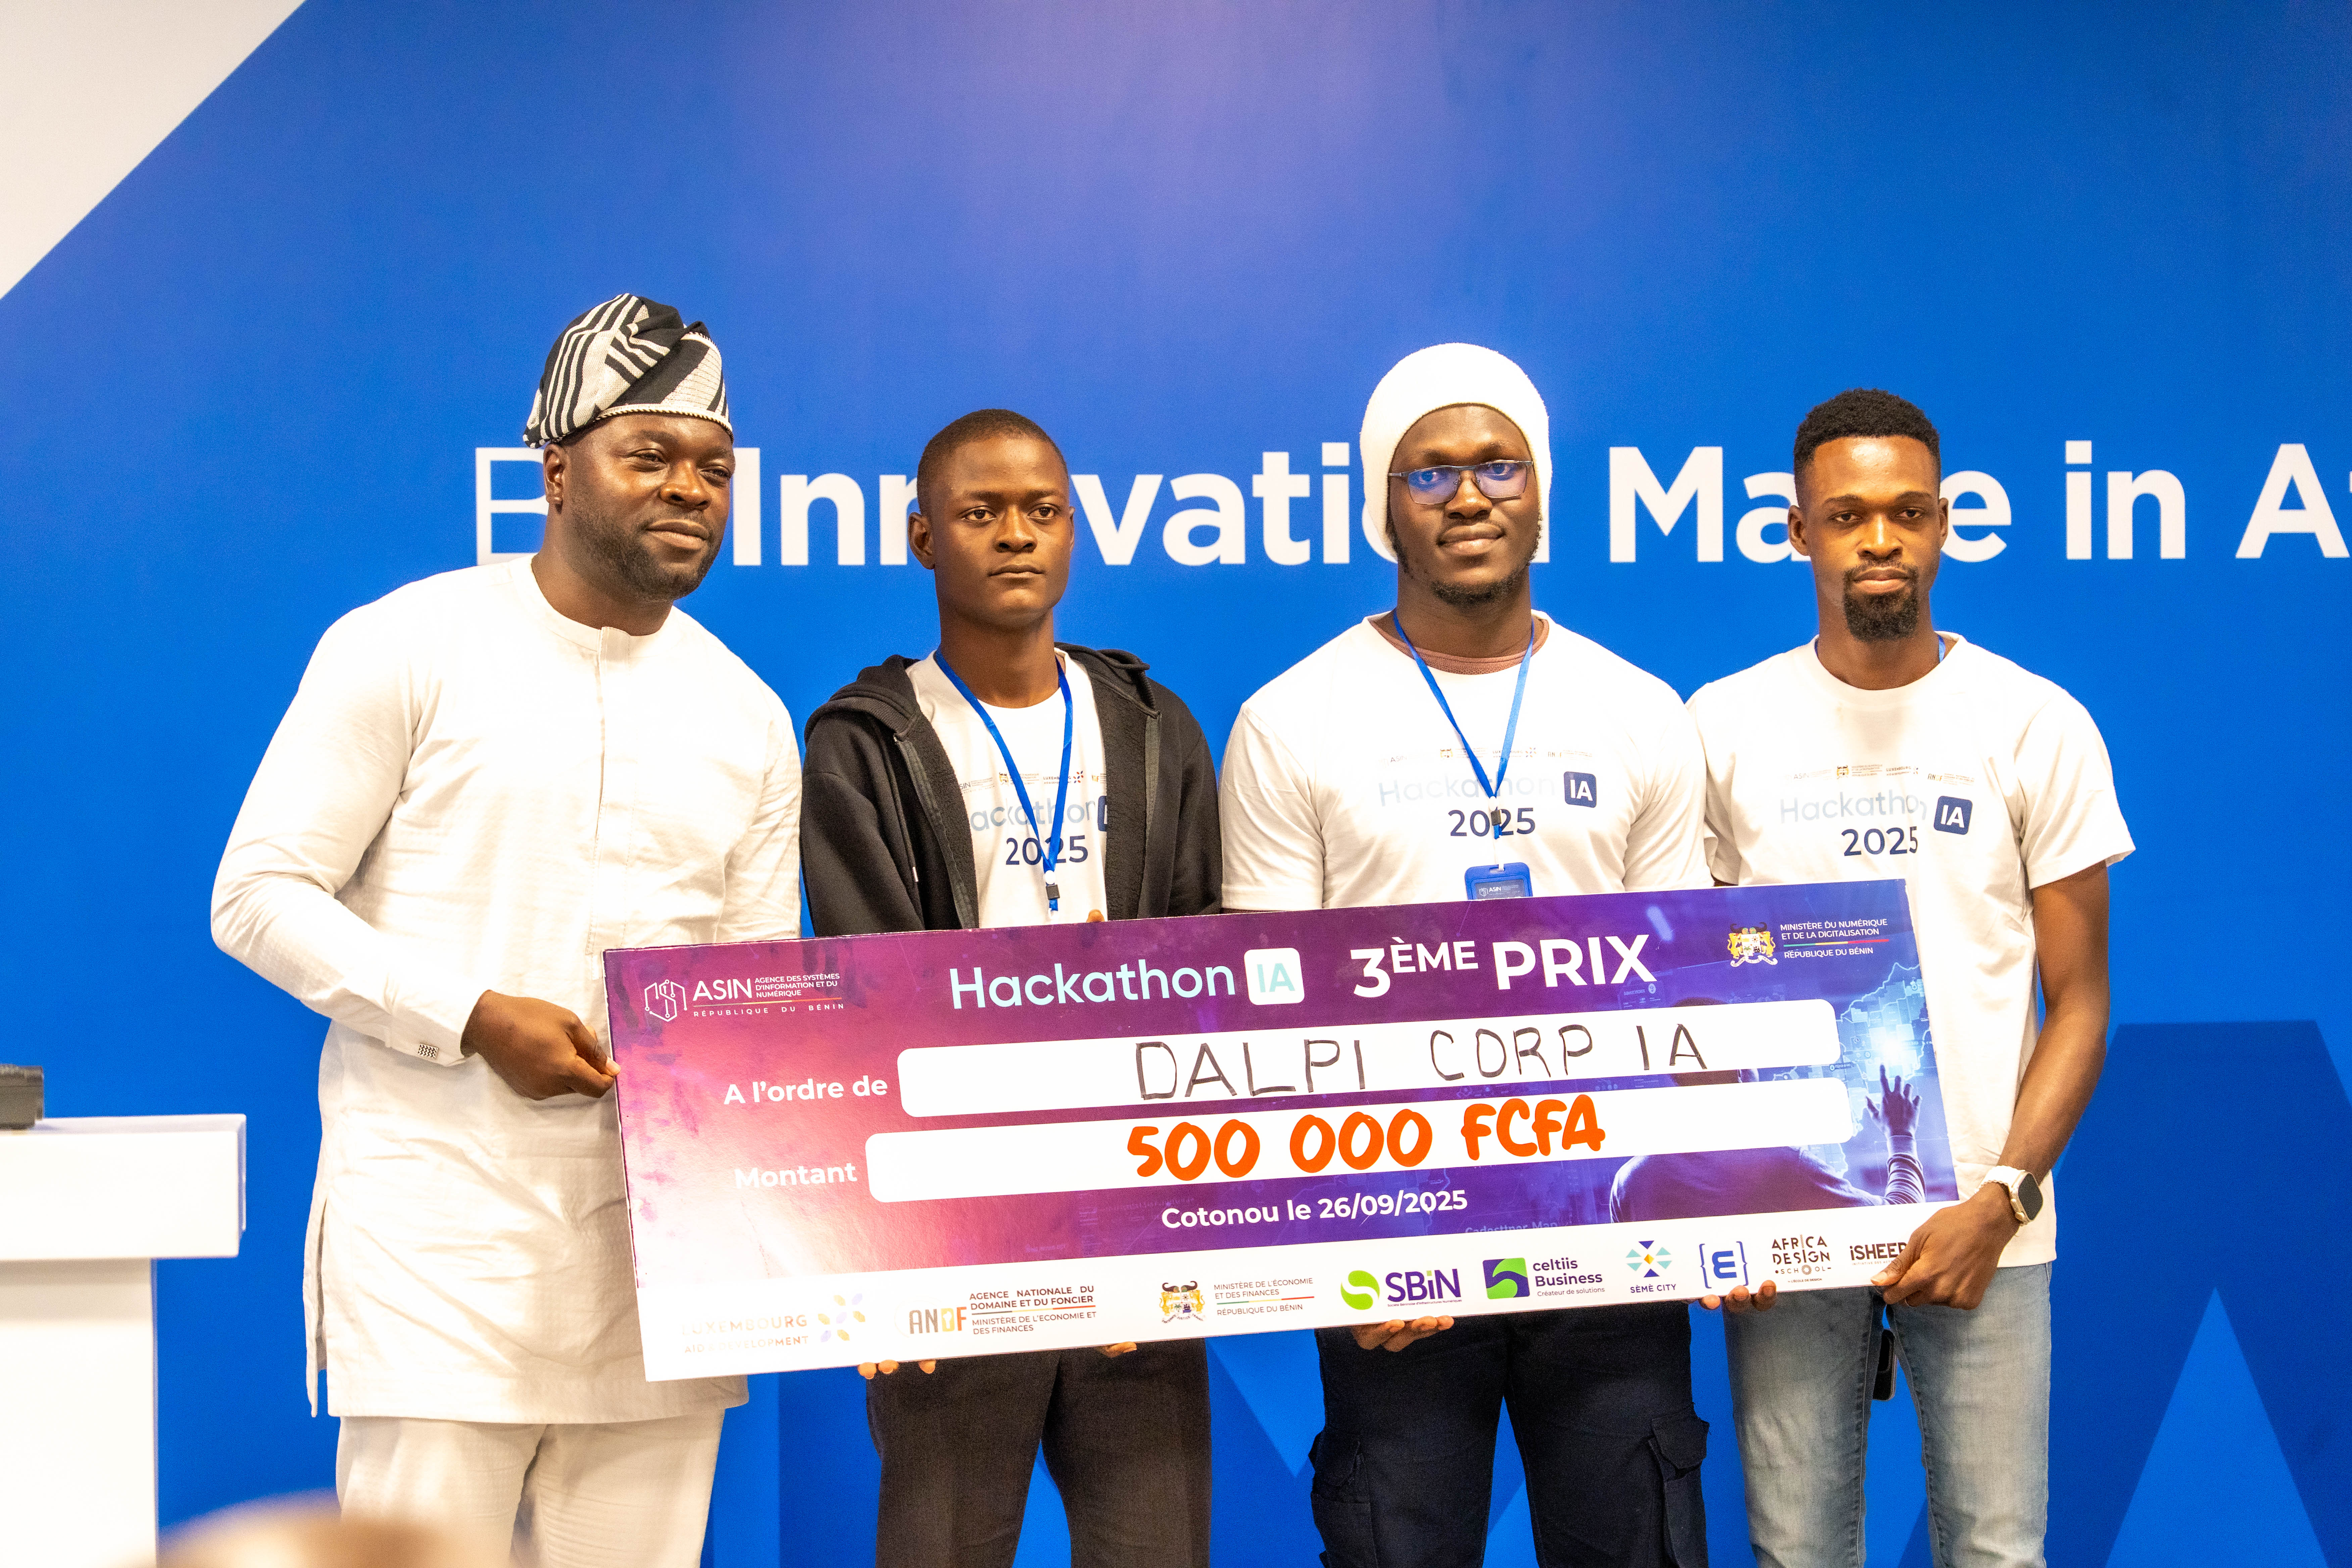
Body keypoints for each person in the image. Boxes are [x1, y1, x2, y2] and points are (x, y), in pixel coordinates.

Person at [211, 294, 801, 1567]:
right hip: (438, 1260)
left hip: (659, 1280)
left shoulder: (747, 715)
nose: (688, 489)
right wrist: (470, 1019)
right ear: (557, 470)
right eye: (648, 455)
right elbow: (258, 894)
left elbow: (750, 1003)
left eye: (713, 469)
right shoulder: (407, 646)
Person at [1219, 344, 1714, 1568]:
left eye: (1498, 466)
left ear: (1541, 491)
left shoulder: (1642, 710)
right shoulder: (1290, 721)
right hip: (1399, 1244)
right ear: (1383, 507)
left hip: (1611, 1237)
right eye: (1430, 474)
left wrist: (1720, 1209)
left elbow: (1687, 996)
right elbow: (1272, 1019)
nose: (1469, 497)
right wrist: (1344, 1249)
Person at [1687, 387, 2132, 1568]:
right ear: (1799, 531)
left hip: (1985, 1215)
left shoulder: (2035, 723)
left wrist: (2004, 1198)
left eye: (1908, 512)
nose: (1880, 539)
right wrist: (1724, 1208)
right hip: (1789, 1215)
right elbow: (1695, 999)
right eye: (1847, 516)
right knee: (1797, 1552)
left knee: (1997, 1552)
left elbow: (2082, 1001)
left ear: (1943, 524)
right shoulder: (1721, 727)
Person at [799, 408, 1221, 1568]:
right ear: (922, 537)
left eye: (1042, 511)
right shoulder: (863, 743)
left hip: (1136, 1225)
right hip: (957, 1233)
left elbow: (1210, 966)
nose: (1016, 535)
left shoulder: (1153, 726)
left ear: (1074, 530)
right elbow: (870, 1007)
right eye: (980, 513)